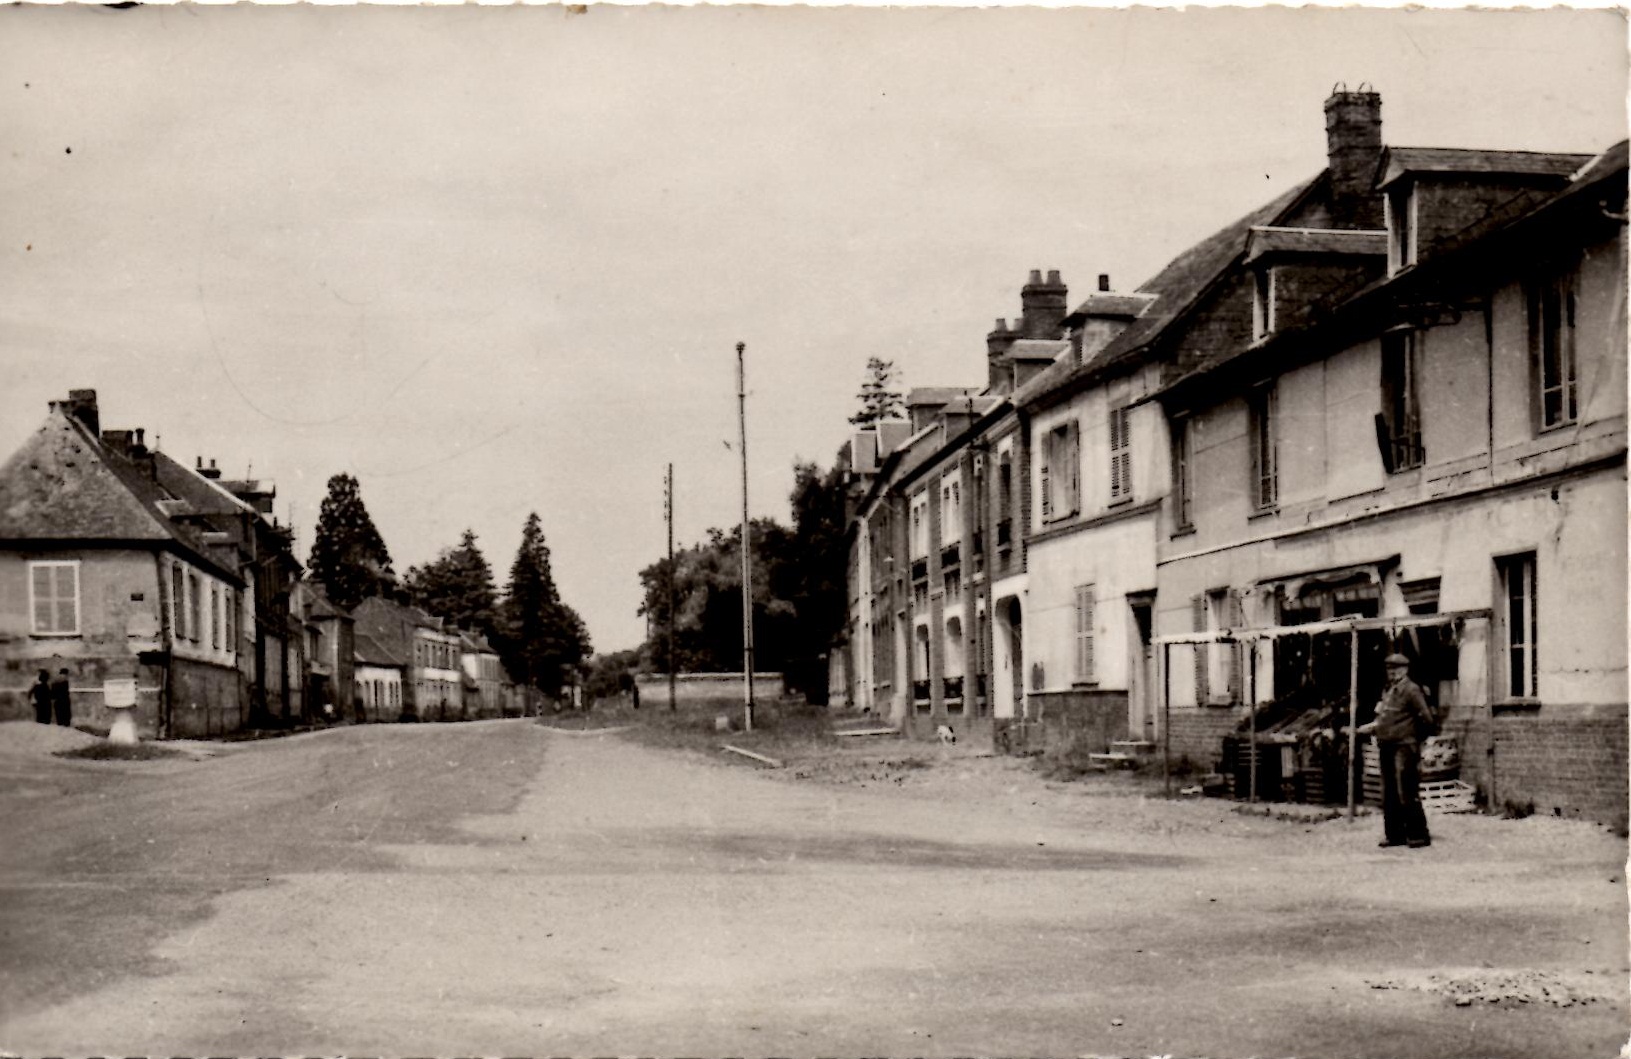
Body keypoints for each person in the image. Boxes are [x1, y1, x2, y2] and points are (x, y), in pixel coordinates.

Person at [1357, 653, 1435, 849]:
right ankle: (1394, 835)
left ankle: (1418, 834)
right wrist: (1373, 727)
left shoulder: (1412, 690)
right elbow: (1385, 717)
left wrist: (1414, 740)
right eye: (1389, 670)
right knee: (1389, 792)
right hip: (1386, 745)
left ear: (1405, 670)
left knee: (1406, 790)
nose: (1392, 673)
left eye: (1396, 670)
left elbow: (1427, 718)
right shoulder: (1389, 691)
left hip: (1404, 746)